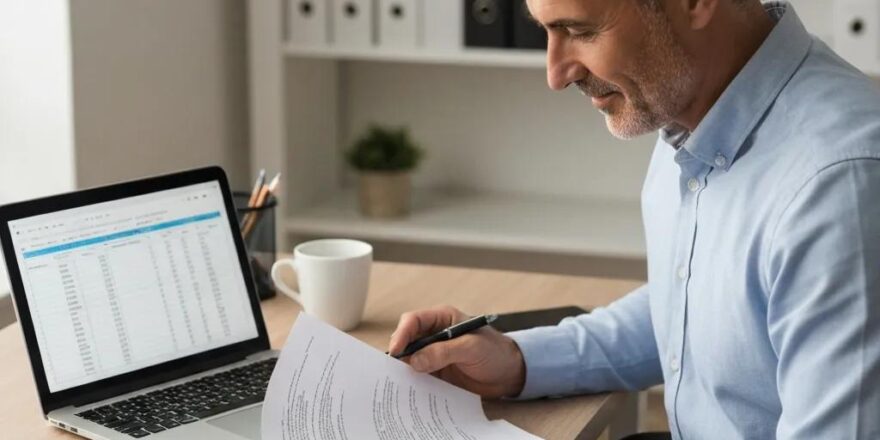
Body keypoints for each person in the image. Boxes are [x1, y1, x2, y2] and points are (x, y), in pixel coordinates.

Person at [388, 1, 880, 438]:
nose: (556, 74)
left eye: (579, 31)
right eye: (545, 30)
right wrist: (519, 362)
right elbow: (704, 304)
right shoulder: (690, 110)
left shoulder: (837, 190)